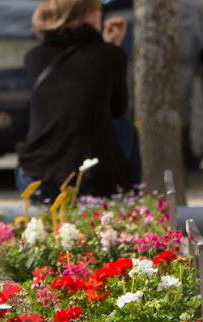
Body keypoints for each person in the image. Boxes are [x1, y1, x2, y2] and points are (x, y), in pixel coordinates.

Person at [15, 0, 138, 204]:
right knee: (125, 127)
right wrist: (111, 46)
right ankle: (130, 201)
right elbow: (118, 109)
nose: (101, 16)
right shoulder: (111, 55)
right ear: (87, 16)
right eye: (99, 11)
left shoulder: (33, 58)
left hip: (36, 178)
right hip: (89, 179)